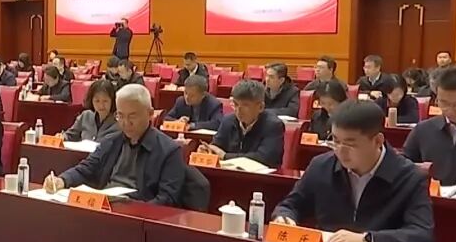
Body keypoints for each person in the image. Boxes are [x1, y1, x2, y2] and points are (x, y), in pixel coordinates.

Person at [271, 101, 435, 242]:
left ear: (378, 141)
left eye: (350, 144)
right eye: (335, 141)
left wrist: (367, 240)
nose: (340, 151)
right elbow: (291, 205)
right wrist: (285, 217)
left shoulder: (409, 177)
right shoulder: (321, 166)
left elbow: (421, 233)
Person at [44, 84, 184, 205]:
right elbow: (87, 168)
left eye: (132, 116)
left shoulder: (169, 151)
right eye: (120, 116)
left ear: (150, 114)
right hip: (107, 207)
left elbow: (167, 199)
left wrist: (136, 211)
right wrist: (62, 180)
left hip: (138, 215)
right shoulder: (111, 141)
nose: (125, 122)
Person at [200, 79, 286, 168]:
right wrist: (207, 151)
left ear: (260, 107)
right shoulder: (228, 120)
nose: (238, 110)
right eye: (236, 104)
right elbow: (216, 146)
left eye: (245, 105)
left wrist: (225, 156)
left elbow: (265, 158)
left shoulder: (273, 125)